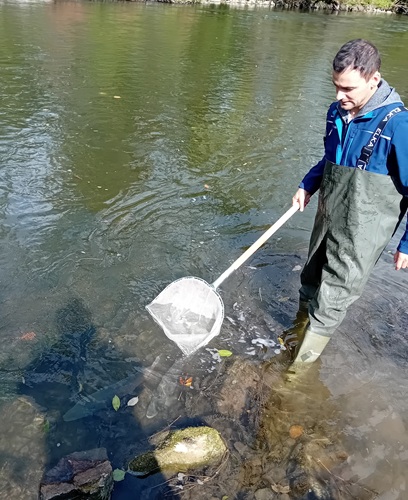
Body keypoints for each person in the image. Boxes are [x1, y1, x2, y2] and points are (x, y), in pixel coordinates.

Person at [291, 39, 408, 363]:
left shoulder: (399, 126)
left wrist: (406, 245)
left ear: (374, 79)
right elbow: (330, 159)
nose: (338, 96)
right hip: (329, 216)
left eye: (348, 88)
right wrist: (308, 184)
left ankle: (296, 374)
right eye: (336, 86)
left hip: (363, 230)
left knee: (332, 299)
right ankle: (295, 333)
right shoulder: (336, 113)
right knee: (310, 279)